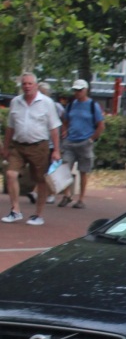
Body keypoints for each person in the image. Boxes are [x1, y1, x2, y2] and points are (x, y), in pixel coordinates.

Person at [2, 72, 62, 225]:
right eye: (24, 84)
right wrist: (6, 146)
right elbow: (10, 126)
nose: (27, 86)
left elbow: (54, 128)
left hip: (39, 146)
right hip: (18, 146)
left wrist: (56, 150)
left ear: (36, 85)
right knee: (10, 174)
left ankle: (38, 214)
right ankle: (15, 210)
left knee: (40, 180)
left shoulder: (47, 102)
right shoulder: (16, 102)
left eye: (30, 84)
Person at [57, 79, 105, 209]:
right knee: (64, 168)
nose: (77, 92)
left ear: (86, 90)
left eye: (80, 90)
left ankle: (81, 199)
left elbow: (100, 125)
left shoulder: (92, 105)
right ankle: (67, 195)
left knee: (83, 171)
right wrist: (65, 131)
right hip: (70, 141)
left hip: (85, 142)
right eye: (75, 90)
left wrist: (91, 139)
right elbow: (65, 121)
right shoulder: (71, 105)